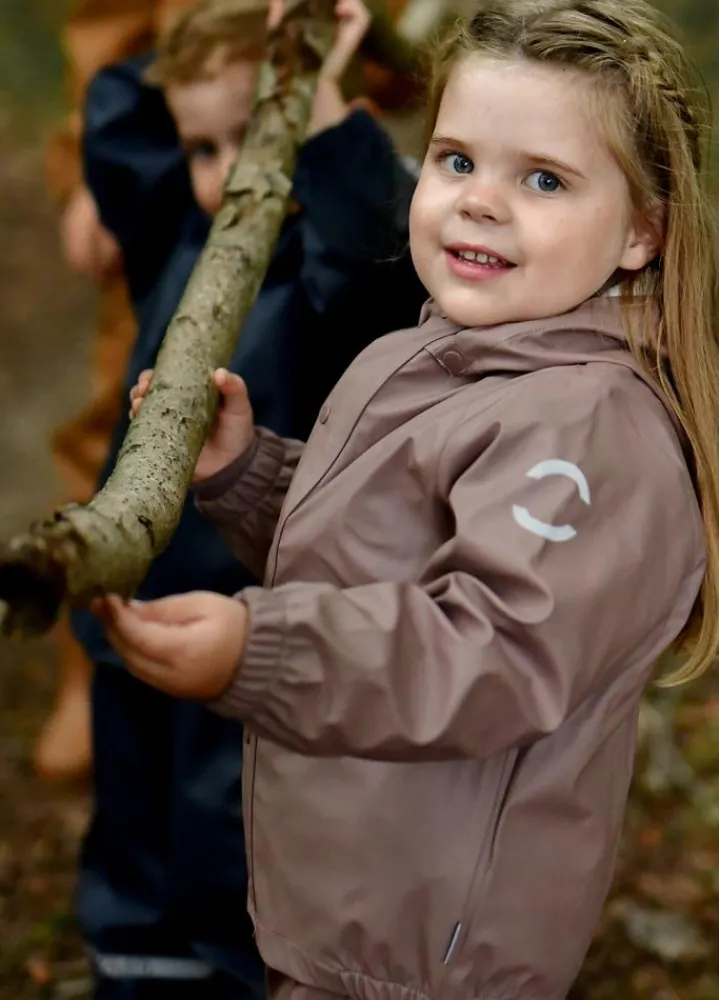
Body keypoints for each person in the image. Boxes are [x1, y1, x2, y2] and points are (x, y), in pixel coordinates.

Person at [99, 0, 719, 997]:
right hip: (348, 908)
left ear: (641, 230)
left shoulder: (582, 426)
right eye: (457, 161)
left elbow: (490, 653)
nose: (480, 202)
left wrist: (262, 649)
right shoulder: (437, 352)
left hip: (425, 955)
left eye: (543, 179)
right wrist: (248, 476)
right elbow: (382, 558)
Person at [73, 0, 427, 997]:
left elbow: (375, 249)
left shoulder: (337, 264)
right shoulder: (177, 236)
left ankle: (238, 970)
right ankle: (136, 965)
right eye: (204, 147)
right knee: (133, 806)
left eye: (257, 140)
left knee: (231, 819)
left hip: (255, 612)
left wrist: (316, 100)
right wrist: (250, 25)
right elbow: (122, 116)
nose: (234, 173)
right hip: (137, 593)